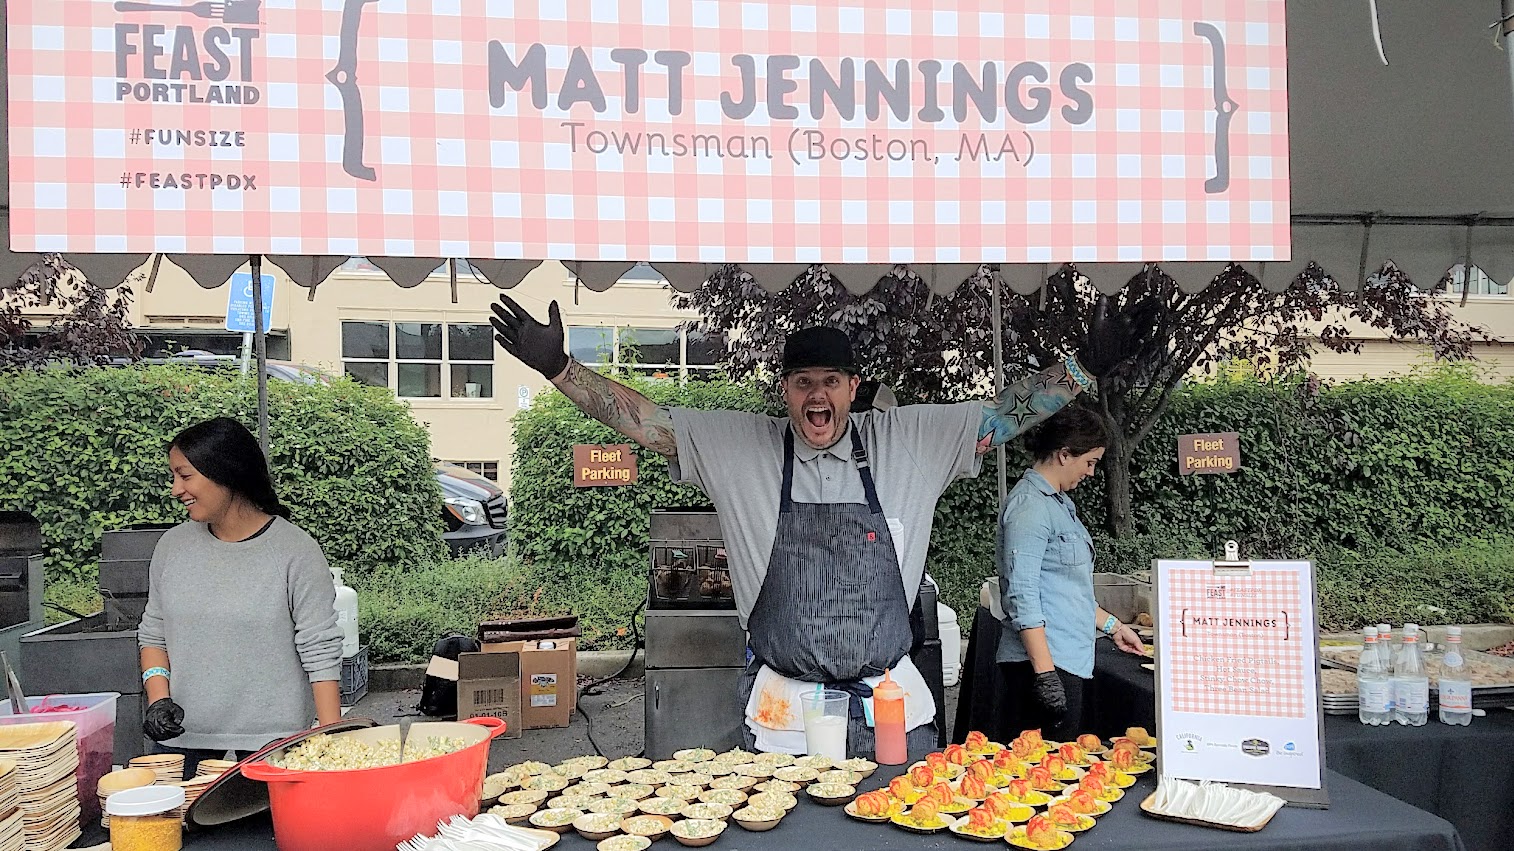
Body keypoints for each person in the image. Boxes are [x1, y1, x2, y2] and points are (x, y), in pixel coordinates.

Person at [490, 294, 1137, 758]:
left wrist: (1079, 371)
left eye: (831, 381)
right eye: (804, 383)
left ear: (854, 387)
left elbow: (1004, 414)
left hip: (890, 709)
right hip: (782, 718)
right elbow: (647, 421)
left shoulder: (908, 440)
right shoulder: (742, 447)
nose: (818, 396)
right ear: (785, 389)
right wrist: (560, 370)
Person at [137, 418, 344, 775]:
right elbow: (154, 635)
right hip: (180, 743)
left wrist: (333, 743)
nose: (175, 489)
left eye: (185, 476)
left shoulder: (295, 551)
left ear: (225, 473)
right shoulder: (172, 547)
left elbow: (320, 651)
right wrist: (159, 700)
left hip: (276, 746)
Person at [995, 404, 1146, 742]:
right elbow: (1023, 596)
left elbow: (1067, 592)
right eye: (1089, 462)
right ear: (1064, 454)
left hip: (1063, 660)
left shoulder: (1058, 504)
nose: (1091, 473)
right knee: (1042, 776)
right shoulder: (1030, 507)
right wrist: (1045, 675)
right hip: (1042, 665)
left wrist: (1115, 627)